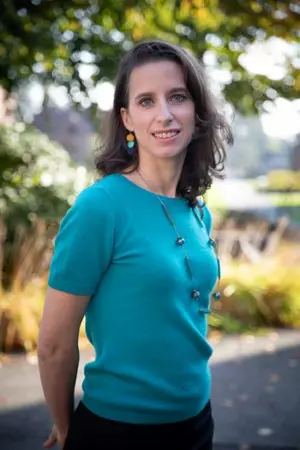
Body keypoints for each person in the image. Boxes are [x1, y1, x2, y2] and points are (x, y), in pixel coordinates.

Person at [38, 39, 233, 450]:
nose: (164, 114)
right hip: (118, 432)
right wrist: (65, 426)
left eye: (177, 97)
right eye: (146, 101)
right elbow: (54, 343)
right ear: (127, 118)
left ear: (197, 112)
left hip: (197, 422)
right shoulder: (100, 207)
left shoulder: (197, 208)